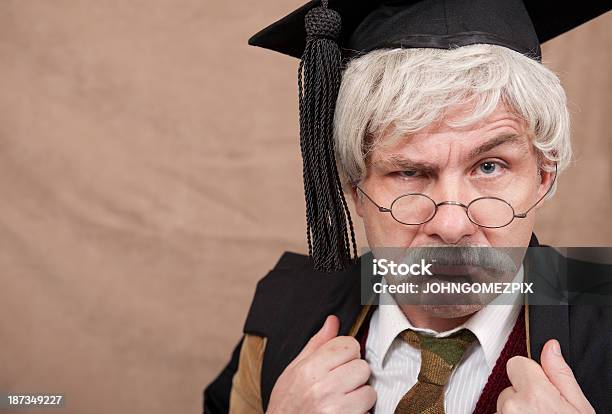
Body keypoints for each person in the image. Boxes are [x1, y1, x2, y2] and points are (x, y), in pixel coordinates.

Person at [204, 0, 612, 412]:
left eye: (489, 167)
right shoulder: (283, 323)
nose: (451, 225)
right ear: (354, 187)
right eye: (410, 174)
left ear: (543, 175)